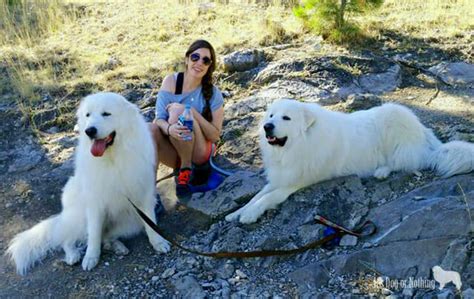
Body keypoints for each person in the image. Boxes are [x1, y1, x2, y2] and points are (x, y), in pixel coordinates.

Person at [150, 39, 224, 196]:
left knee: (179, 112)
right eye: (195, 57)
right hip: (174, 148)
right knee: (150, 129)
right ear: (187, 59)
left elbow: (215, 136)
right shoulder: (171, 82)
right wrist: (170, 129)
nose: (199, 63)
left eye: (206, 60)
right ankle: (150, 192)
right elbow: (159, 119)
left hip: (199, 153)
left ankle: (186, 170)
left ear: (209, 66)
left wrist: (192, 112)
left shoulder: (213, 93)